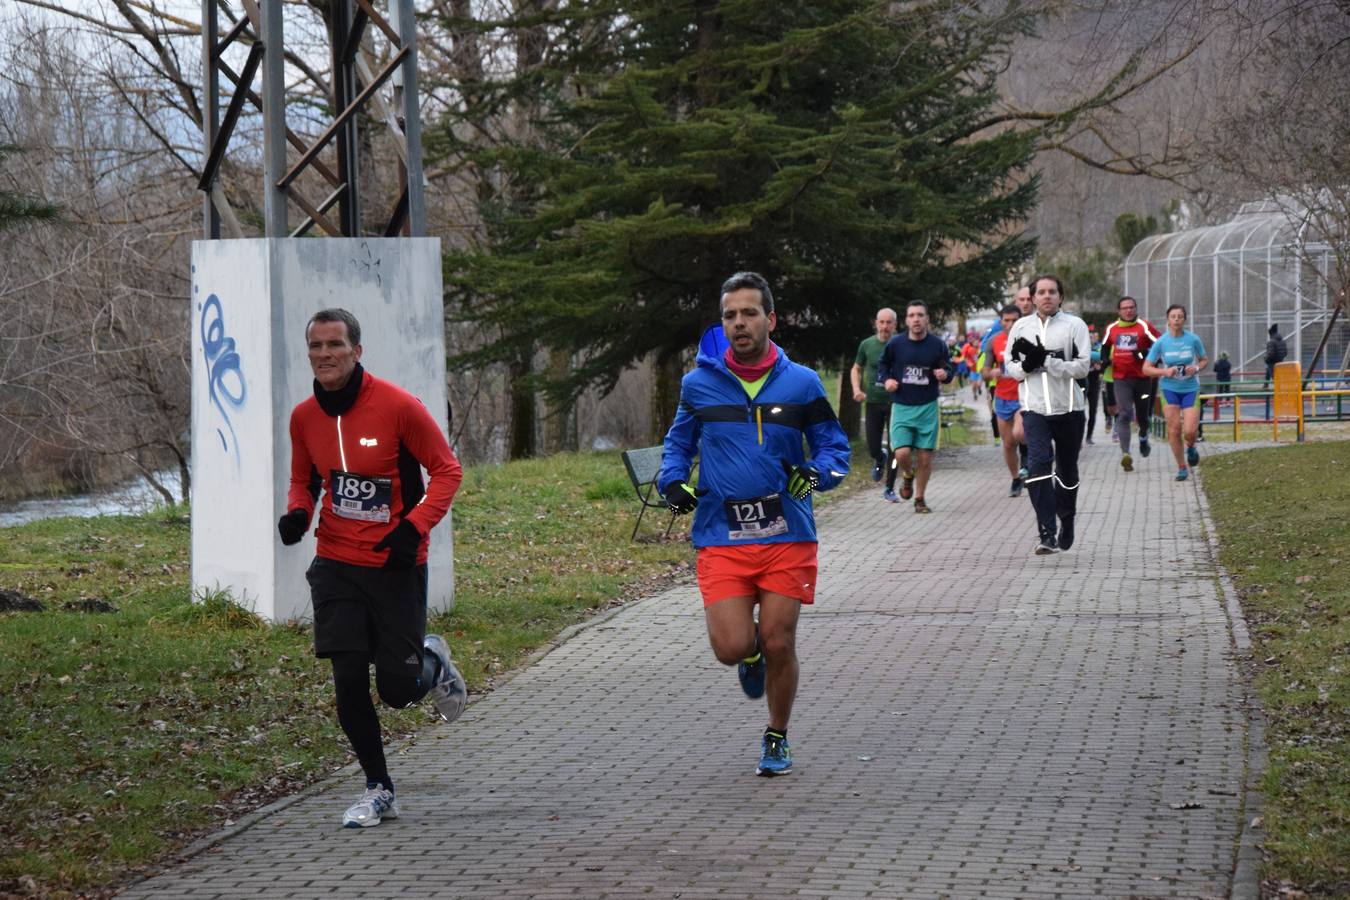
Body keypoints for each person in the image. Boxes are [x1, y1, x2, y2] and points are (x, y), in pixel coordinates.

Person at [279, 308, 467, 828]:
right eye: (315, 346)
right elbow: (305, 479)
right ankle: (378, 787)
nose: (324, 355)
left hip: (396, 565)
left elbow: (447, 470)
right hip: (336, 563)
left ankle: (430, 662)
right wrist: (298, 512)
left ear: (356, 350)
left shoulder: (398, 407)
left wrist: (414, 527)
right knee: (347, 680)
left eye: (334, 344)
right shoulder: (303, 417)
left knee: (396, 690)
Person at [659, 271, 850, 777]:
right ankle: (750, 655)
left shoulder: (803, 383)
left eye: (748, 313)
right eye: (729, 315)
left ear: (771, 319)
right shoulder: (698, 385)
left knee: (780, 640)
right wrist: (672, 482)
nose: (739, 323)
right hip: (722, 534)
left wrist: (816, 476)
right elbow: (678, 445)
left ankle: (776, 735)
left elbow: (834, 448)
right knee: (732, 647)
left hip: (787, 533)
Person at [1003, 275, 1090, 555]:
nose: (1047, 296)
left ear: (1060, 297)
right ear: (1033, 298)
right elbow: (1011, 365)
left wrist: (1050, 362)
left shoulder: (1074, 326)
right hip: (1034, 410)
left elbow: (1083, 367)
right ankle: (1046, 533)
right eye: (1041, 292)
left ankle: (1067, 520)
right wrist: (1028, 365)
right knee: (1039, 466)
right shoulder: (1020, 327)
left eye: (1052, 292)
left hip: (1070, 410)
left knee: (1067, 471)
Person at [878, 300, 951, 513]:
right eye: (912, 315)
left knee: (925, 457)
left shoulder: (937, 345)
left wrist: (944, 374)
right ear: (906, 320)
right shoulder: (896, 344)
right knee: (901, 453)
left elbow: (949, 369)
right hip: (902, 405)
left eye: (920, 315)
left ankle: (919, 499)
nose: (916, 319)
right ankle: (908, 475)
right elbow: (882, 366)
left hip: (927, 406)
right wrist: (887, 380)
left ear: (927, 319)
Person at [1142, 305, 1208, 481]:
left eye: (1180, 316)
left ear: (1184, 320)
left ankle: (1191, 446)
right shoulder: (1161, 342)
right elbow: (1146, 368)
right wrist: (1165, 372)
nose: (1177, 319)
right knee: (1173, 429)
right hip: (1169, 389)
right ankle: (1181, 467)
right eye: (1173, 316)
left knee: (1190, 430)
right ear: (1168, 320)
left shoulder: (1193, 339)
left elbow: (1204, 360)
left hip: (1190, 389)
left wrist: (1195, 367)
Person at [1100, 296, 1161, 472]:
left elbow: (1159, 345)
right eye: (1125, 308)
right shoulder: (1112, 328)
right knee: (1124, 414)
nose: (1129, 310)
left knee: (1142, 415)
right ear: (1119, 311)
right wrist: (1104, 360)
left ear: (1136, 309)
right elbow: (1105, 347)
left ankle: (1143, 437)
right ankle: (1126, 454)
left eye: (1132, 307)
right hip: (1121, 379)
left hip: (1143, 380)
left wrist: (1143, 355)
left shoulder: (1144, 326)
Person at [981, 304, 1027, 497]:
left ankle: (1030, 462)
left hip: (1023, 397)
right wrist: (991, 372)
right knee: (1008, 444)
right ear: (1001, 322)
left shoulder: (1029, 341)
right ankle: (1016, 479)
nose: (1010, 324)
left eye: (1014, 320)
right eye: (1006, 320)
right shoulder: (994, 341)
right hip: (1002, 398)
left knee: (1020, 432)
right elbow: (984, 371)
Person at [850, 308, 898, 484]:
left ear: (894, 325)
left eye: (888, 323)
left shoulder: (900, 344)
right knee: (873, 447)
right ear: (876, 323)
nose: (885, 326)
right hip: (873, 401)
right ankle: (879, 458)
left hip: (896, 403)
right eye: (882, 322)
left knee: (896, 446)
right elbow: (856, 368)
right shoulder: (867, 345)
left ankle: (889, 485)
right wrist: (856, 390)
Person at [1264, 324, 1288, 419]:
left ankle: (1279, 399)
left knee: (1276, 381)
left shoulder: (1271, 342)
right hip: (1280, 363)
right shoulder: (1282, 341)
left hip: (1272, 364)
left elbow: (1270, 354)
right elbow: (1285, 352)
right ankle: (1266, 384)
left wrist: (1265, 358)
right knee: (1279, 381)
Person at [1083, 325, 1100, 445]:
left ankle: (1089, 436)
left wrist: (1099, 366)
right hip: (1083, 381)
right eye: (1089, 336)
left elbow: (1103, 359)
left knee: (1093, 410)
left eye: (1093, 336)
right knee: (1079, 410)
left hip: (1094, 382)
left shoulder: (1099, 347)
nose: (1091, 338)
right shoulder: (1082, 347)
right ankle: (1078, 435)